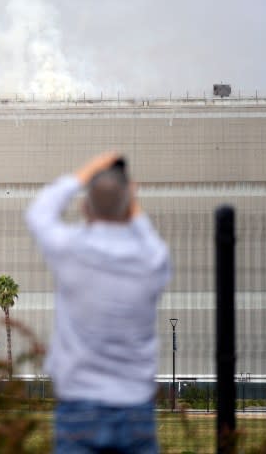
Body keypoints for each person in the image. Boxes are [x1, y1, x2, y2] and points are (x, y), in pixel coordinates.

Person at [25, 152, 171, 454]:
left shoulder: (70, 250)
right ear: (129, 208)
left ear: (84, 206)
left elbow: (40, 212)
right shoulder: (152, 259)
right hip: (136, 409)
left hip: (80, 407)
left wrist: (86, 173)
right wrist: (129, 199)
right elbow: (145, 233)